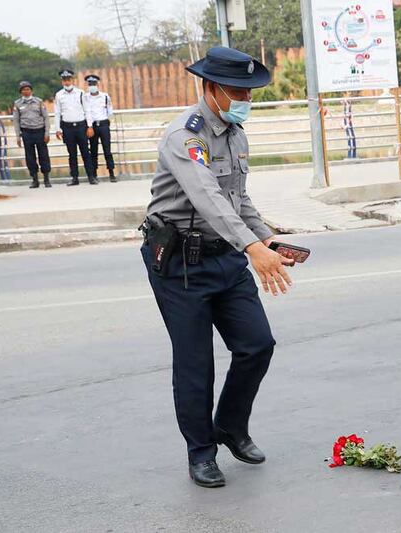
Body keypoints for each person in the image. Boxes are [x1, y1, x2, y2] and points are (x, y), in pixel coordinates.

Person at [140, 46, 295, 488]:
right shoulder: (184, 136)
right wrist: (252, 247)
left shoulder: (235, 132)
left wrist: (264, 237)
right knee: (195, 363)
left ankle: (229, 425)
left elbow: (237, 199)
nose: (245, 98)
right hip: (179, 265)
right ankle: (201, 451)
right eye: (236, 90)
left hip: (225, 256)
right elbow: (206, 197)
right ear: (210, 88)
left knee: (257, 344)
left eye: (249, 91)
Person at [54, 69, 97, 186]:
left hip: (81, 126)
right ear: (62, 81)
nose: (66, 82)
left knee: (85, 153)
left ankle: (91, 177)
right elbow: (57, 113)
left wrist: (89, 126)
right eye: (64, 80)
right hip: (67, 128)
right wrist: (57, 129)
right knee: (72, 154)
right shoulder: (59, 95)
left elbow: (87, 110)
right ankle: (74, 178)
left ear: (72, 80)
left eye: (68, 79)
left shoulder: (80, 93)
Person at [12, 81, 51, 188]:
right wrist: (18, 136)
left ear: (31, 90)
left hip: (40, 131)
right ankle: (35, 180)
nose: (26, 91)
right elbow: (16, 120)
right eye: (23, 89)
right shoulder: (17, 104)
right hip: (26, 133)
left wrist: (47, 133)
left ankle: (46, 179)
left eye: (28, 89)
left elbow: (46, 117)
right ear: (21, 92)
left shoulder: (39, 101)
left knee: (43, 155)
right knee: (30, 157)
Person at [83, 74, 117, 182]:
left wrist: (106, 121)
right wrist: (89, 126)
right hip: (92, 126)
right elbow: (86, 112)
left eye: (93, 84)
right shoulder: (85, 97)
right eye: (90, 84)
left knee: (107, 150)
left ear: (97, 84)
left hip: (103, 125)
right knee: (93, 151)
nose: (92, 86)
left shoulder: (105, 96)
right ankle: (94, 174)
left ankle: (111, 173)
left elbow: (109, 111)